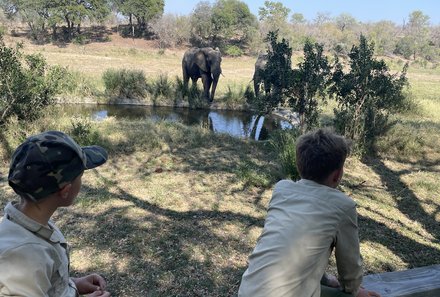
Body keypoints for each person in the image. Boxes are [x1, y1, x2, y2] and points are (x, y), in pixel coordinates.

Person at [238, 128, 380, 297]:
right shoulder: (343, 206)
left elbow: (299, 246)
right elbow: (350, 272)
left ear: (299, 167)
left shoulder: (282, 189)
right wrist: (355, 292)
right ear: (338, 174)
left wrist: (326, 280)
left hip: (247, 291)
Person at [0, 130, 111, 297]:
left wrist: (73, 284)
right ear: (65, 190)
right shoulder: (23, 257)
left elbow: (43, 283)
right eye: (80, 176)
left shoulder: (34, 224)